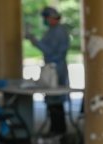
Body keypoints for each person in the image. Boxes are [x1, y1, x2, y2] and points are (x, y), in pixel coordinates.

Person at [26, 7, 70, 135]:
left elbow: (50, 51)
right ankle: (55, 129)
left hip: (56, 68)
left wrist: (35, 41)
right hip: (52, 67)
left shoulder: (59, 31)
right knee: (52, 100)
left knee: (55, 98)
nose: (45, 20)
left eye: (46, 18)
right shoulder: (52, 30)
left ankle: (59, 130)